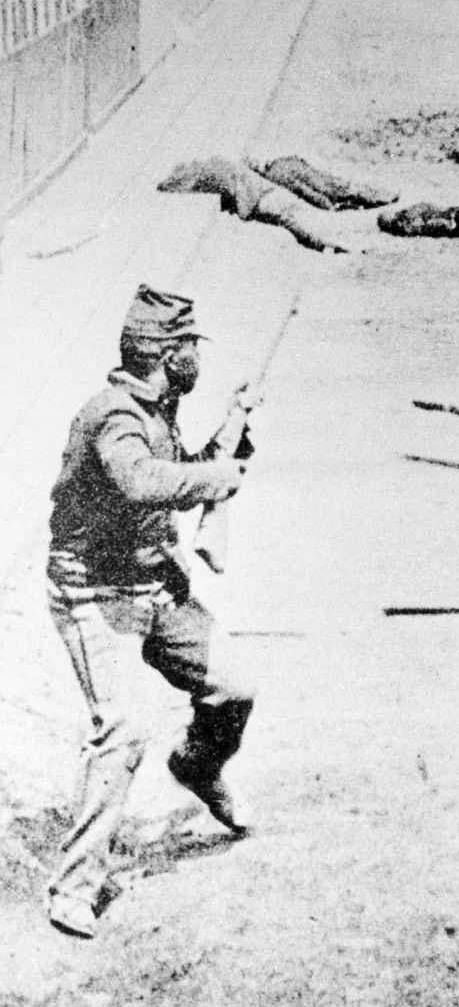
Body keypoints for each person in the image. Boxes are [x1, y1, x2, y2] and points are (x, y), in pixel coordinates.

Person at [44, 287, 259, 939]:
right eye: (190, 346)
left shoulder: (154, 410)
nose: (197, 357)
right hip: (94, 599)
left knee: (234, 687)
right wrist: (215, 480)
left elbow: (174, 474)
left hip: (155, 590)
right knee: (125, 732)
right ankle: (73, 889)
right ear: (166, 353)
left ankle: (196, 766)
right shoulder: (114, 417)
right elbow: (141, 481)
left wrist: (224, 441)